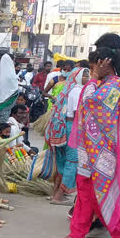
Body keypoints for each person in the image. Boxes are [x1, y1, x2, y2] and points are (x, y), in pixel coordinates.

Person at [52, 47, 120, 238]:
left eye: (94, 66)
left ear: (105, 63)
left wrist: (94, 79)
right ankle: (76, 235)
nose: (92, 71)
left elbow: (91, 102)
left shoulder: (116, 84)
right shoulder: (103, 84)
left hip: (104, 152)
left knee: (102, 195)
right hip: (90, 149)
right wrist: (96, 79)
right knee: (85, 193)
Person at [45, 67, 87, 205]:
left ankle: (55, 192)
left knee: (62, 161)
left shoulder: (69, 89)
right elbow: (77, 114)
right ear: (78, 77)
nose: (88, 77)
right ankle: (59, 196)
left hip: (63, 128)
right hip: (72, 127)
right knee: (73, 161)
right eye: (85, 75)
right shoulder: (78, 90)